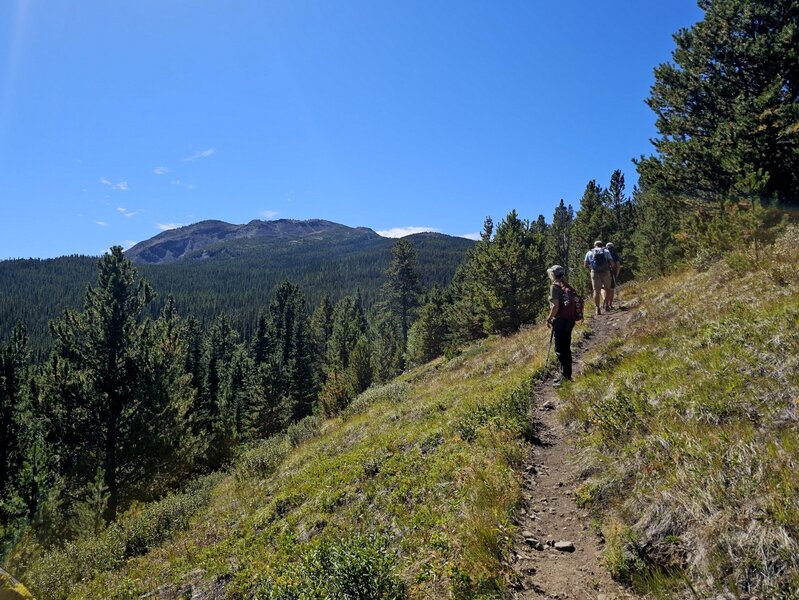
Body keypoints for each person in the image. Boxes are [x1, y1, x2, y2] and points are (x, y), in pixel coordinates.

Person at [546, 264, 574, 385]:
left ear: (552, 274)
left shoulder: (555, 287)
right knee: (566, 348)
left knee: (560, 349)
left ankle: (565, 377)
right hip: (570, 319)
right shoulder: (566, 285)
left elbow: (555, 306)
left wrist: (549, 318)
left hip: (560, 320)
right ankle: (567, 374)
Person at [583, 240, 615, 316]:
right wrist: (610, 268)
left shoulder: (589, 252)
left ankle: (597, 308)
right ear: (602, 245)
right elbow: (612, 263)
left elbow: (585, 265)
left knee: (596, 291)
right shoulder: (606, 251)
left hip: (595, 272)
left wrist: (590, 270)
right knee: (607, 289)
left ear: (594, 245)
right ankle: (607, 305)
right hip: (605, 272)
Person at [605, 242, 621, 310]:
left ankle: (605, 302)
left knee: (604, 289)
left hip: (603, 273)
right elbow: (618, 266)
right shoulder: (614, 255)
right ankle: (610, 304)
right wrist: (616, 274)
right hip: (612, 273)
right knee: (611, 289)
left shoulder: (603, 254)